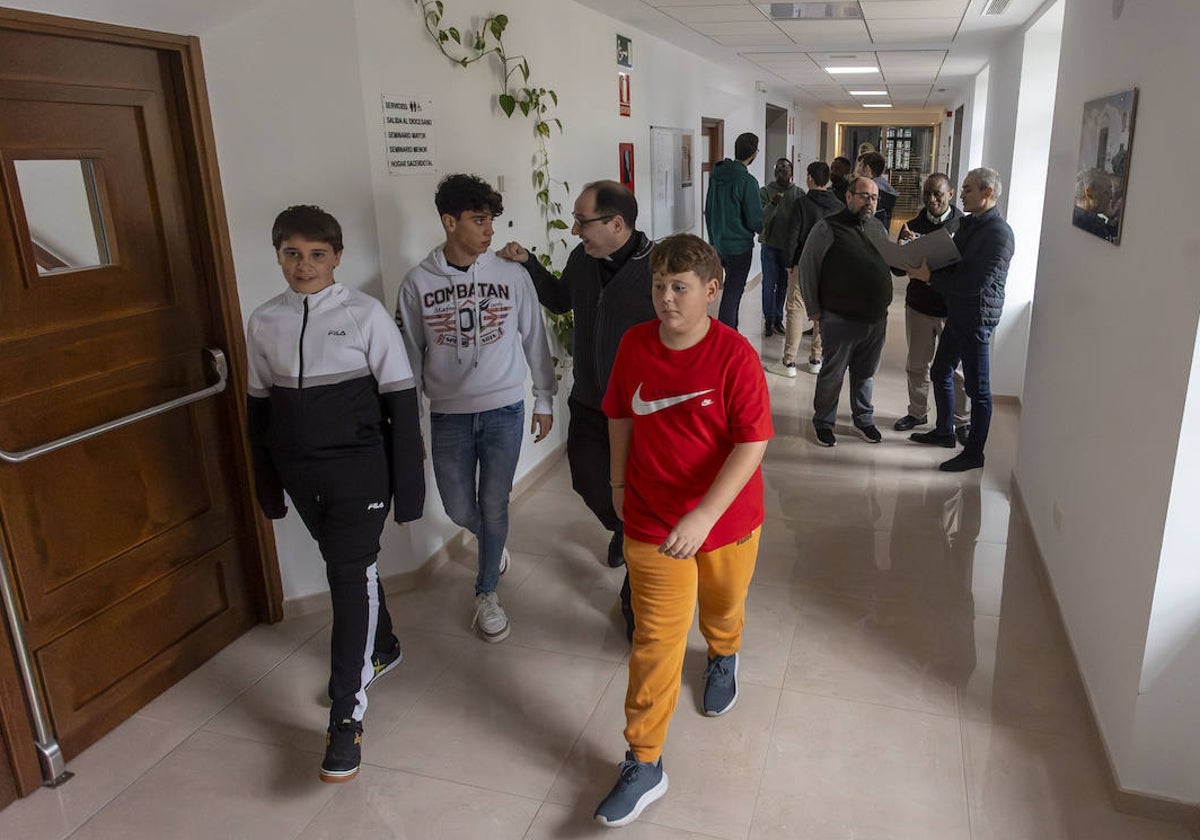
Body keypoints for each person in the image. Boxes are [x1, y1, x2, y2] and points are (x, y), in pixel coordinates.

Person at [594, 233, 772, 828]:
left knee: (722, 607)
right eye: (658, 286)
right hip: (651, 518)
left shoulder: (734, 355)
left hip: (725, 520)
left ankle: (724, 653)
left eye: (679, 288)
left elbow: (753, 442)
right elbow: (619, 413)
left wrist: (704, 516)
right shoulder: (635, 344)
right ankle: (644, 761)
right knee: (657, 640)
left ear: (712, 290)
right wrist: (618, 487)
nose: (666, 299)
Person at [245, 205, 425, 783]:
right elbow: (256, 413)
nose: (304, 266)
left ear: (337, 258)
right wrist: (267, 485)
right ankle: (386, 644)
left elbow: (401, 403)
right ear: (277, 255)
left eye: (317, 254)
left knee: (346, 578)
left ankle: (346, 717)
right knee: (352, 568)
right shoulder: (264, 321)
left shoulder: (365, 315)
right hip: (300, 473)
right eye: (292, 253)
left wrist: (410, 493)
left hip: (358, 471)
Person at [395, 174, 556, 641]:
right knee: (458, 505)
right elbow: (408, 358)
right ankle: (492, 542)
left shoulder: (512, 275)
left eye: (491, 220)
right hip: (448, 413)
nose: (489, 231)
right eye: (478, 220)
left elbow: (534, 337)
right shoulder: (418, 284)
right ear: (449, 222)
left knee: (493, 501)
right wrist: (411, 427)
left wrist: (543, 398)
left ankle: (486, 590)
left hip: (504, 408)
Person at [498, 180, 655, 640]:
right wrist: (529, 264)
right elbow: (562, 298)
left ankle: (636, 596)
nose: (574, 229)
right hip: (590, 399)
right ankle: (626, 529)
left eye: (582, 221)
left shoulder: (655, 269)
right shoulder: (582, 259)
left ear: (617, 224)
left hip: (642, 410)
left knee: (643, 496)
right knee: (587, 479)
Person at [907, 167, 1015, 471]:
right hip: (958, 311)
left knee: (979, 390)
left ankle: (974, 454)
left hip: (977, 318)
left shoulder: (999, 234)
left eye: (967, 190)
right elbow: (954, 264)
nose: (962, 195)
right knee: (940, 372)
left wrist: (929, 278)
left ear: (987, 193)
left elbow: (973, 283)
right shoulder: (970, 224)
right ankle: (944, 431)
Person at [798, 177, 892, 447]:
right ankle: (824, 422)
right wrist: (814, 310)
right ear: (849, 196)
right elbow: (808, 268)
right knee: (833, 373)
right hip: (840, 318)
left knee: (865, 373)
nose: (870, 202)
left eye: (874, 198)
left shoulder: (876, 227)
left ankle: (863, 418)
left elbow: (888, 262)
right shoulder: (827, 228)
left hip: (876, 319)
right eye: (864, 196)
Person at [893, 173, 971, 438]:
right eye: (927, 193)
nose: (931, 199)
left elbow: (969, 268)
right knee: (917, 364)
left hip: (952, 309)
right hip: (920, 306)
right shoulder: (912, 224)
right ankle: (917, 412)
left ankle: (961, 421)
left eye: (938, 193)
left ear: (950, 194)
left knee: (957, 371)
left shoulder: (965, 225)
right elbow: (898, 270)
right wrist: (903, 248)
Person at [765, 160, 841, 378]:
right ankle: (816, 359)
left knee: (795, 309)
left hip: (803, 262)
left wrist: (789, 263)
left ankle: (789, 361)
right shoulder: (838, 206)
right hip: (829, 264)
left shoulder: (802, 204)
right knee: (823, 310)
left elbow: (793, 237)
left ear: (810, 178)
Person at [704, 132, 764, 330]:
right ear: (754, 154)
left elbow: (709, 209)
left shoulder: (717, 174)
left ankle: (731, 332)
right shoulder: (747, 181)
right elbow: (755, 218)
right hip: (739, 246)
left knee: (730, 291)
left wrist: (713, 239)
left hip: (719, 243)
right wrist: (765, 229)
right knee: (733, 292)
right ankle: (726, 335)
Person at [759, 157, 804, 337]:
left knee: (783, 286)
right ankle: (768, 320)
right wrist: (774, 203)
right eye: (778, 168)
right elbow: (762, 217)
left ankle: (778, 318)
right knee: (768, 284)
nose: (781, 171)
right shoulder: (765, 192)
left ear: (792, 172)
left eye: (785, 168)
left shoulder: (798, 193)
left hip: (788, 248)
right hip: (770, 245)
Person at [856, 150, 899, 230]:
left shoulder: (869, 192)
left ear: (866, 169)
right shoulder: (885, 190)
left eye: (860, 166)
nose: (857, 170)